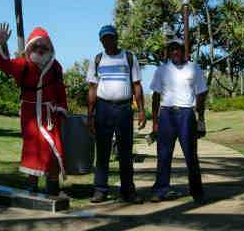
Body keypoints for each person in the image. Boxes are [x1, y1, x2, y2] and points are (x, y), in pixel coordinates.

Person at [0, 23, 67, 195]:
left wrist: (62, 109)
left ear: (50, 47)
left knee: (53, 149)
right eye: (36, 45)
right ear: (30, 46)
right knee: (32, 149)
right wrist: (3, 43)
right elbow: (3, 64)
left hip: (50, 114)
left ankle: (52, 188)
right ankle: (32, 187)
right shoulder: (24, 65)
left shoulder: (55, 67)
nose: (40, 49)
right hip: (30, 115)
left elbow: (60, 90)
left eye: (44, 46)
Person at [87, 25, 146, 203]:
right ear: (101, 41)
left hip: (124, 109)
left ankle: (128, 191)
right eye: (105, 38)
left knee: (125, 152)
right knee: (103, 151)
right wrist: (90, 115)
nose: (108, 41)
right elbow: (92, 88)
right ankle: (100, 190)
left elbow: (137, 85)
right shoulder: (97, 60)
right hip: (103, 109)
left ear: (116, 38)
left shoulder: (128, 57)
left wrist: (142, 111)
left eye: (111, 37)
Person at [150, 37, 208, 203]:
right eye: (172, 49)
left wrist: (200, 117)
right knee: (163, 155)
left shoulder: (194, 68)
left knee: (191, 155)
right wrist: (155, 121)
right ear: (169, 52)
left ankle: (197, 192)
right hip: (166, 114)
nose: (175, 52)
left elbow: (201, 93)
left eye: (178, 49)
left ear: (184, 51)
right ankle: (161, 189)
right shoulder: (161, 70)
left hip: (186, 114)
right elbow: (155, 96)